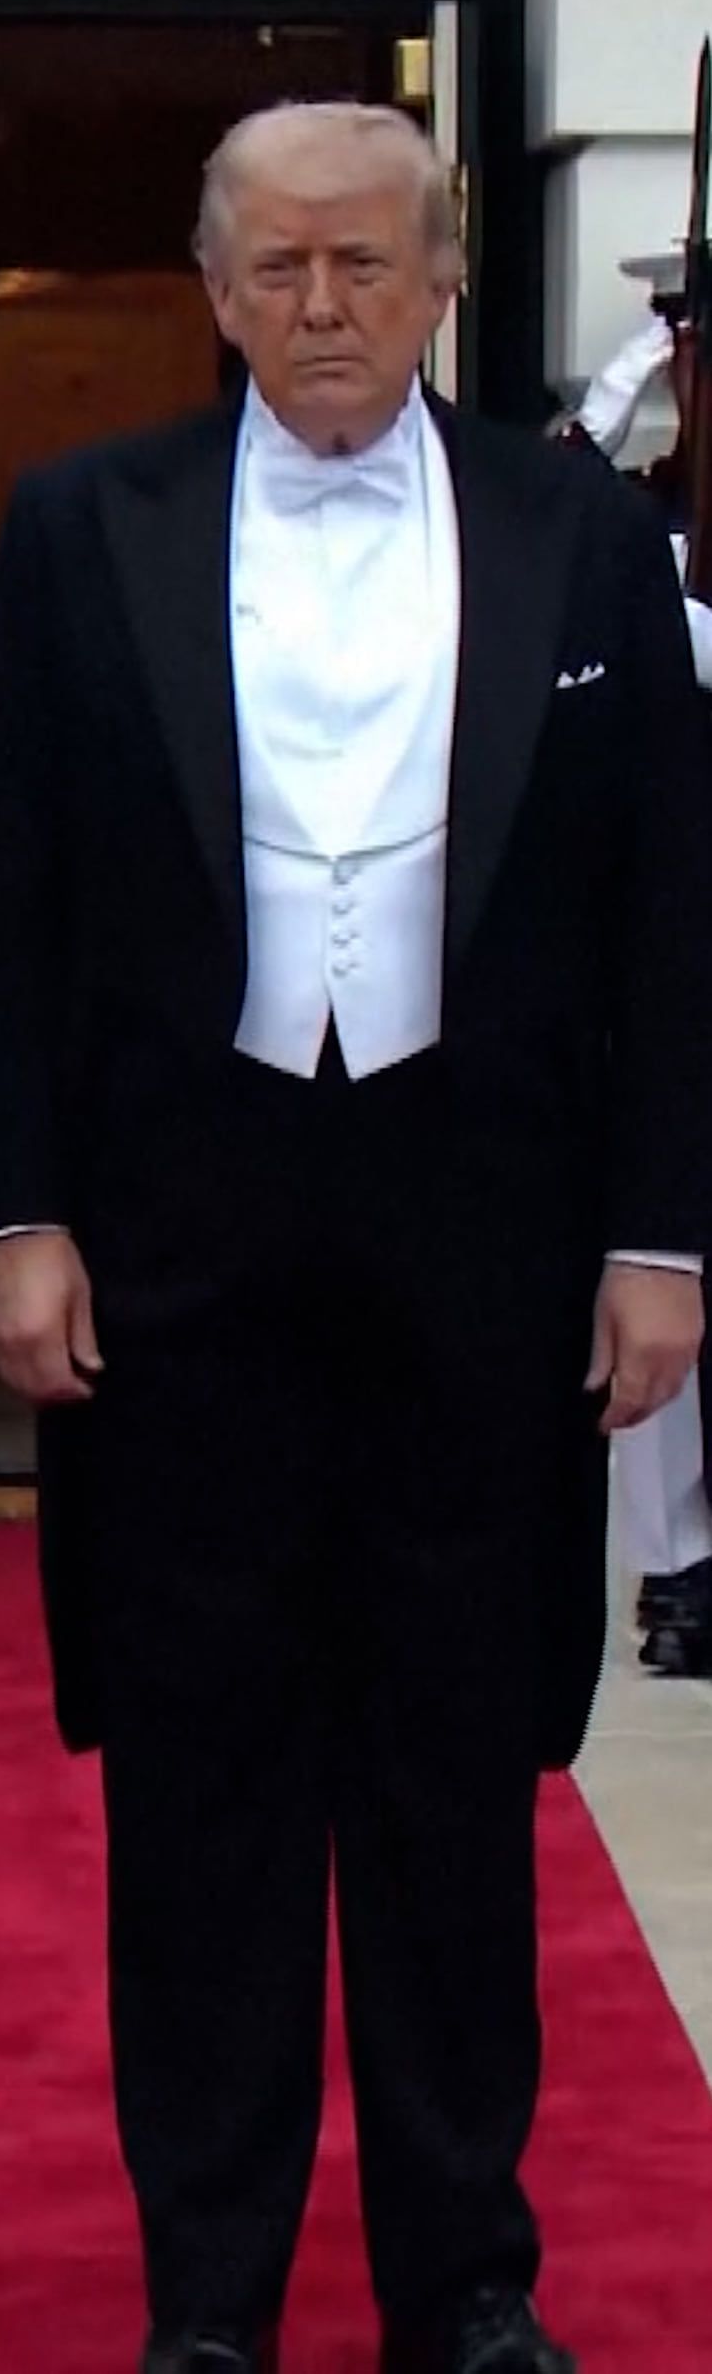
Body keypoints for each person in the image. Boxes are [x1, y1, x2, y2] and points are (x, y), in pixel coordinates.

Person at [0, 103, 712, 2374]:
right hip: (180, 1256)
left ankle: (465, 2287)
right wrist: (16, 1215)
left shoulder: (585, 533)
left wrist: (661, 1234)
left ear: (442, 278)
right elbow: (8, 907)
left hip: (485, 1249)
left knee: (456, 1788)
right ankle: (210, 2305)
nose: (319, 311)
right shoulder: (90, 528)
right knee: (201, 1798)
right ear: (210, 287)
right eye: (275, 268)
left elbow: (671, 917)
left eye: (362, 267)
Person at [563, 258, 712, 1679]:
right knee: (662, 1238)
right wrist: (635, 367)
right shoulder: (632, 539)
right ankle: (676, 1565)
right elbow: (558, 479)